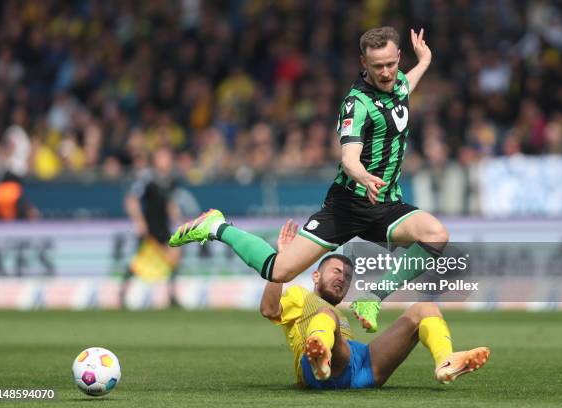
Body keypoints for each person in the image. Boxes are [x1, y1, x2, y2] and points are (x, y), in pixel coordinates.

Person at [169, 27, 448, 332]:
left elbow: (406, 86)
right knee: (279, 271)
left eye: (390, 64)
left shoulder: (399, 84)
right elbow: (349, 159)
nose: (385, 73)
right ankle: (217, 227)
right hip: (349, 205)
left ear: (398, 57)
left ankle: (371, 298)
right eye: (377, 66)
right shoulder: (357, 104)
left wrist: (424, 62)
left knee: (435, 234)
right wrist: (365, 177)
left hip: (384, 205)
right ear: (363, 63)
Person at [261, 220, 489, 389]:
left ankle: (446, 362)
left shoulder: (336, 312)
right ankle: (320, 357)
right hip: (320, 370)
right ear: (316, 276)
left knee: (424, 309)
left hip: (360, 366)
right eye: (336, 271)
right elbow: (269, 310)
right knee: (326, 315)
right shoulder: (299, 296)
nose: (342, 278)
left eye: (348, 277)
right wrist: (280, 262)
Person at [122, 147, 182, 307]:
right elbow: (131, 200)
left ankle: (171, 296)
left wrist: (175, 215)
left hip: (163, 227)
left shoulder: (170, 180)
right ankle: (123, 293)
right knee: (138, 263)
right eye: (163, 157)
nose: (167, 160)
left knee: (174, 257)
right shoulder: (147, 179)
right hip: (150, 228)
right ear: (156, 160)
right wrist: (139, 221)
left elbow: (169, 202)